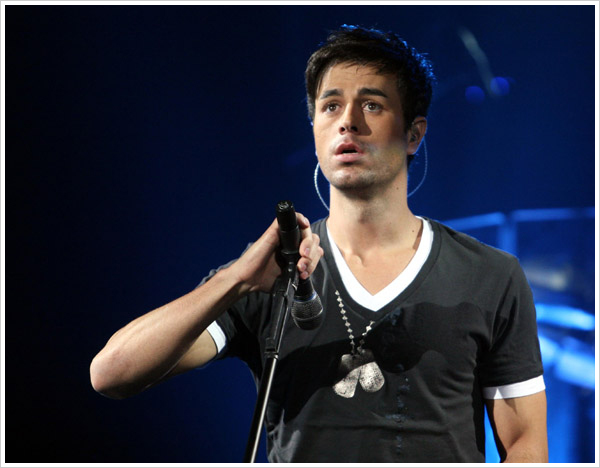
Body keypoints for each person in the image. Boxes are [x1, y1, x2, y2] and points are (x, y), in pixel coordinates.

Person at [90, 25, 548, 463]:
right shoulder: (267, 275)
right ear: (314, 132)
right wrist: (236, 281)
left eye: (372, 105)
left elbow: (526, 446)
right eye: (330, 106)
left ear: (413, 134)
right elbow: (111, 374)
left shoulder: (490, 275)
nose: (347, 122)